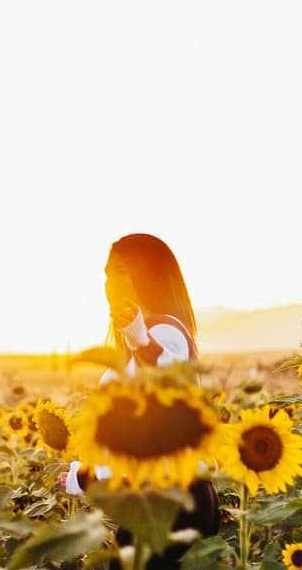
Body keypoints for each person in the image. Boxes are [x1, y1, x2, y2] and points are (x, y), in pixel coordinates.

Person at [59, 233, 220, 570]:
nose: (109, 283)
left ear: (147, 274)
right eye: (106, 274)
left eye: (119, 271)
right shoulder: (148, 335)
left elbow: (161, 384)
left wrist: (137, 334)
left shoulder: (164, 332)